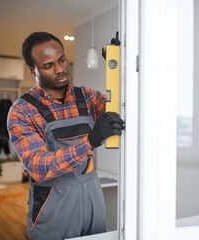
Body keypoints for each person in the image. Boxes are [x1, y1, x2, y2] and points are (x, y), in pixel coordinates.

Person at [7, 31, 124, 240]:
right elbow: (38, 166)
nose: (60, 70)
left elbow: (121, 110)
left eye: (62, 60)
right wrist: (89, 141)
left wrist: (118, 67)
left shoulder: (87, 97)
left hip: (93, 197)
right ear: (32, 70)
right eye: (48, 65)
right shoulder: (22, 111)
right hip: (53, 206)